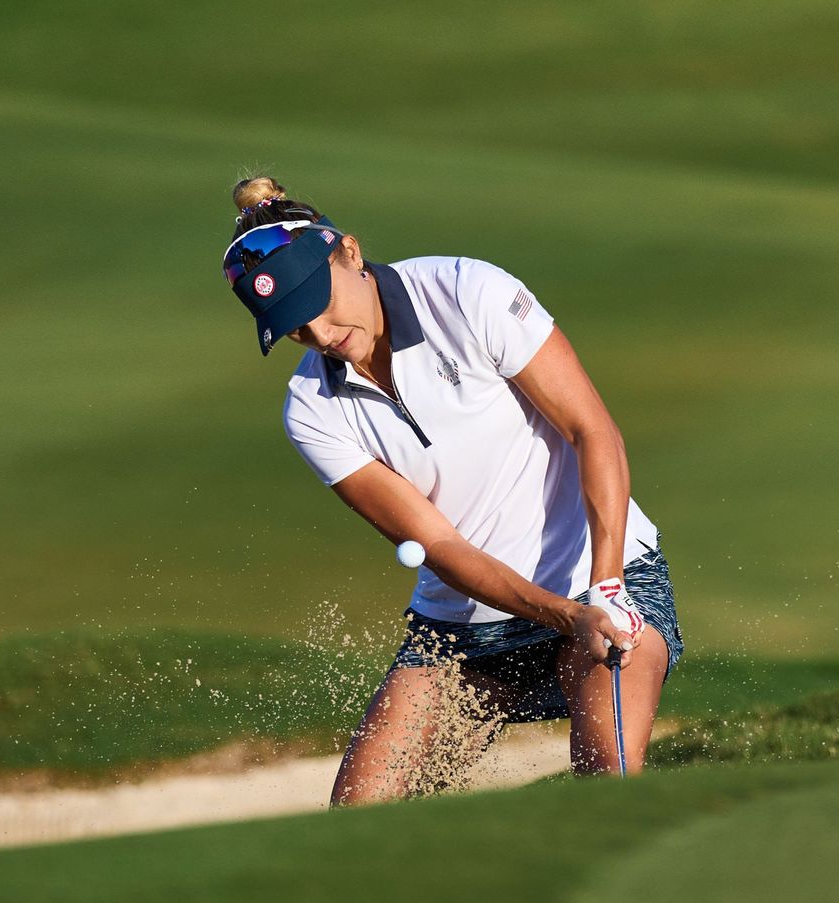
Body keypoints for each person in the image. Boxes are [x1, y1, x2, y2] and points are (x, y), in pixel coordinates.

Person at [220, 177, 684, 805]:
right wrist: (564, 617)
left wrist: (601, 593)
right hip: (465, 630)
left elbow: (591, 430)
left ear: (350, 253)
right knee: (359, 819)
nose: (323, 335)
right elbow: (437, 544)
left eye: (320, 303)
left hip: (600, 580)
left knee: (606, 779)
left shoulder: (466, 293)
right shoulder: (312, 409)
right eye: (295, 328)